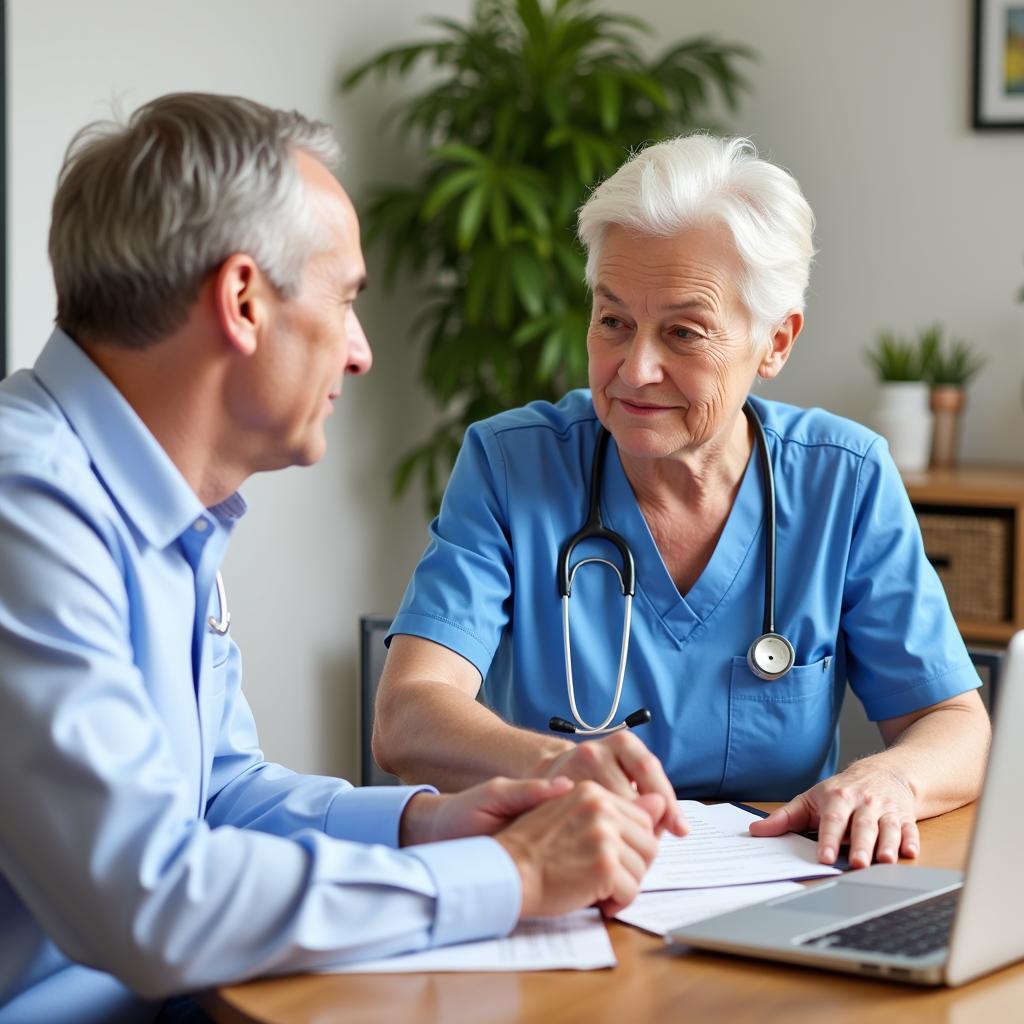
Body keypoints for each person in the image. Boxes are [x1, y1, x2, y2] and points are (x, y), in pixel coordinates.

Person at [0, 93, 666, 1024]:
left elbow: (220, 793)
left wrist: (425, 824)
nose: (359, 354)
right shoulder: (25, 510)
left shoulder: (158, 508)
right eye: (347, 300)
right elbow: (148, 900)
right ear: (241, 301)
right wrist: (508, 874)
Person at [373, 133, 992, 873]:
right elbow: (407, 713)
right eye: (613, 322)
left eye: (683, 332)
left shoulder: (843, 479)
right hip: (571, 879)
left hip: (778, 893)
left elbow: (954, 723)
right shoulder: (513, 464)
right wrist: (555, 765)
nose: (635, 369)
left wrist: (891, 777)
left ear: (775, 343)